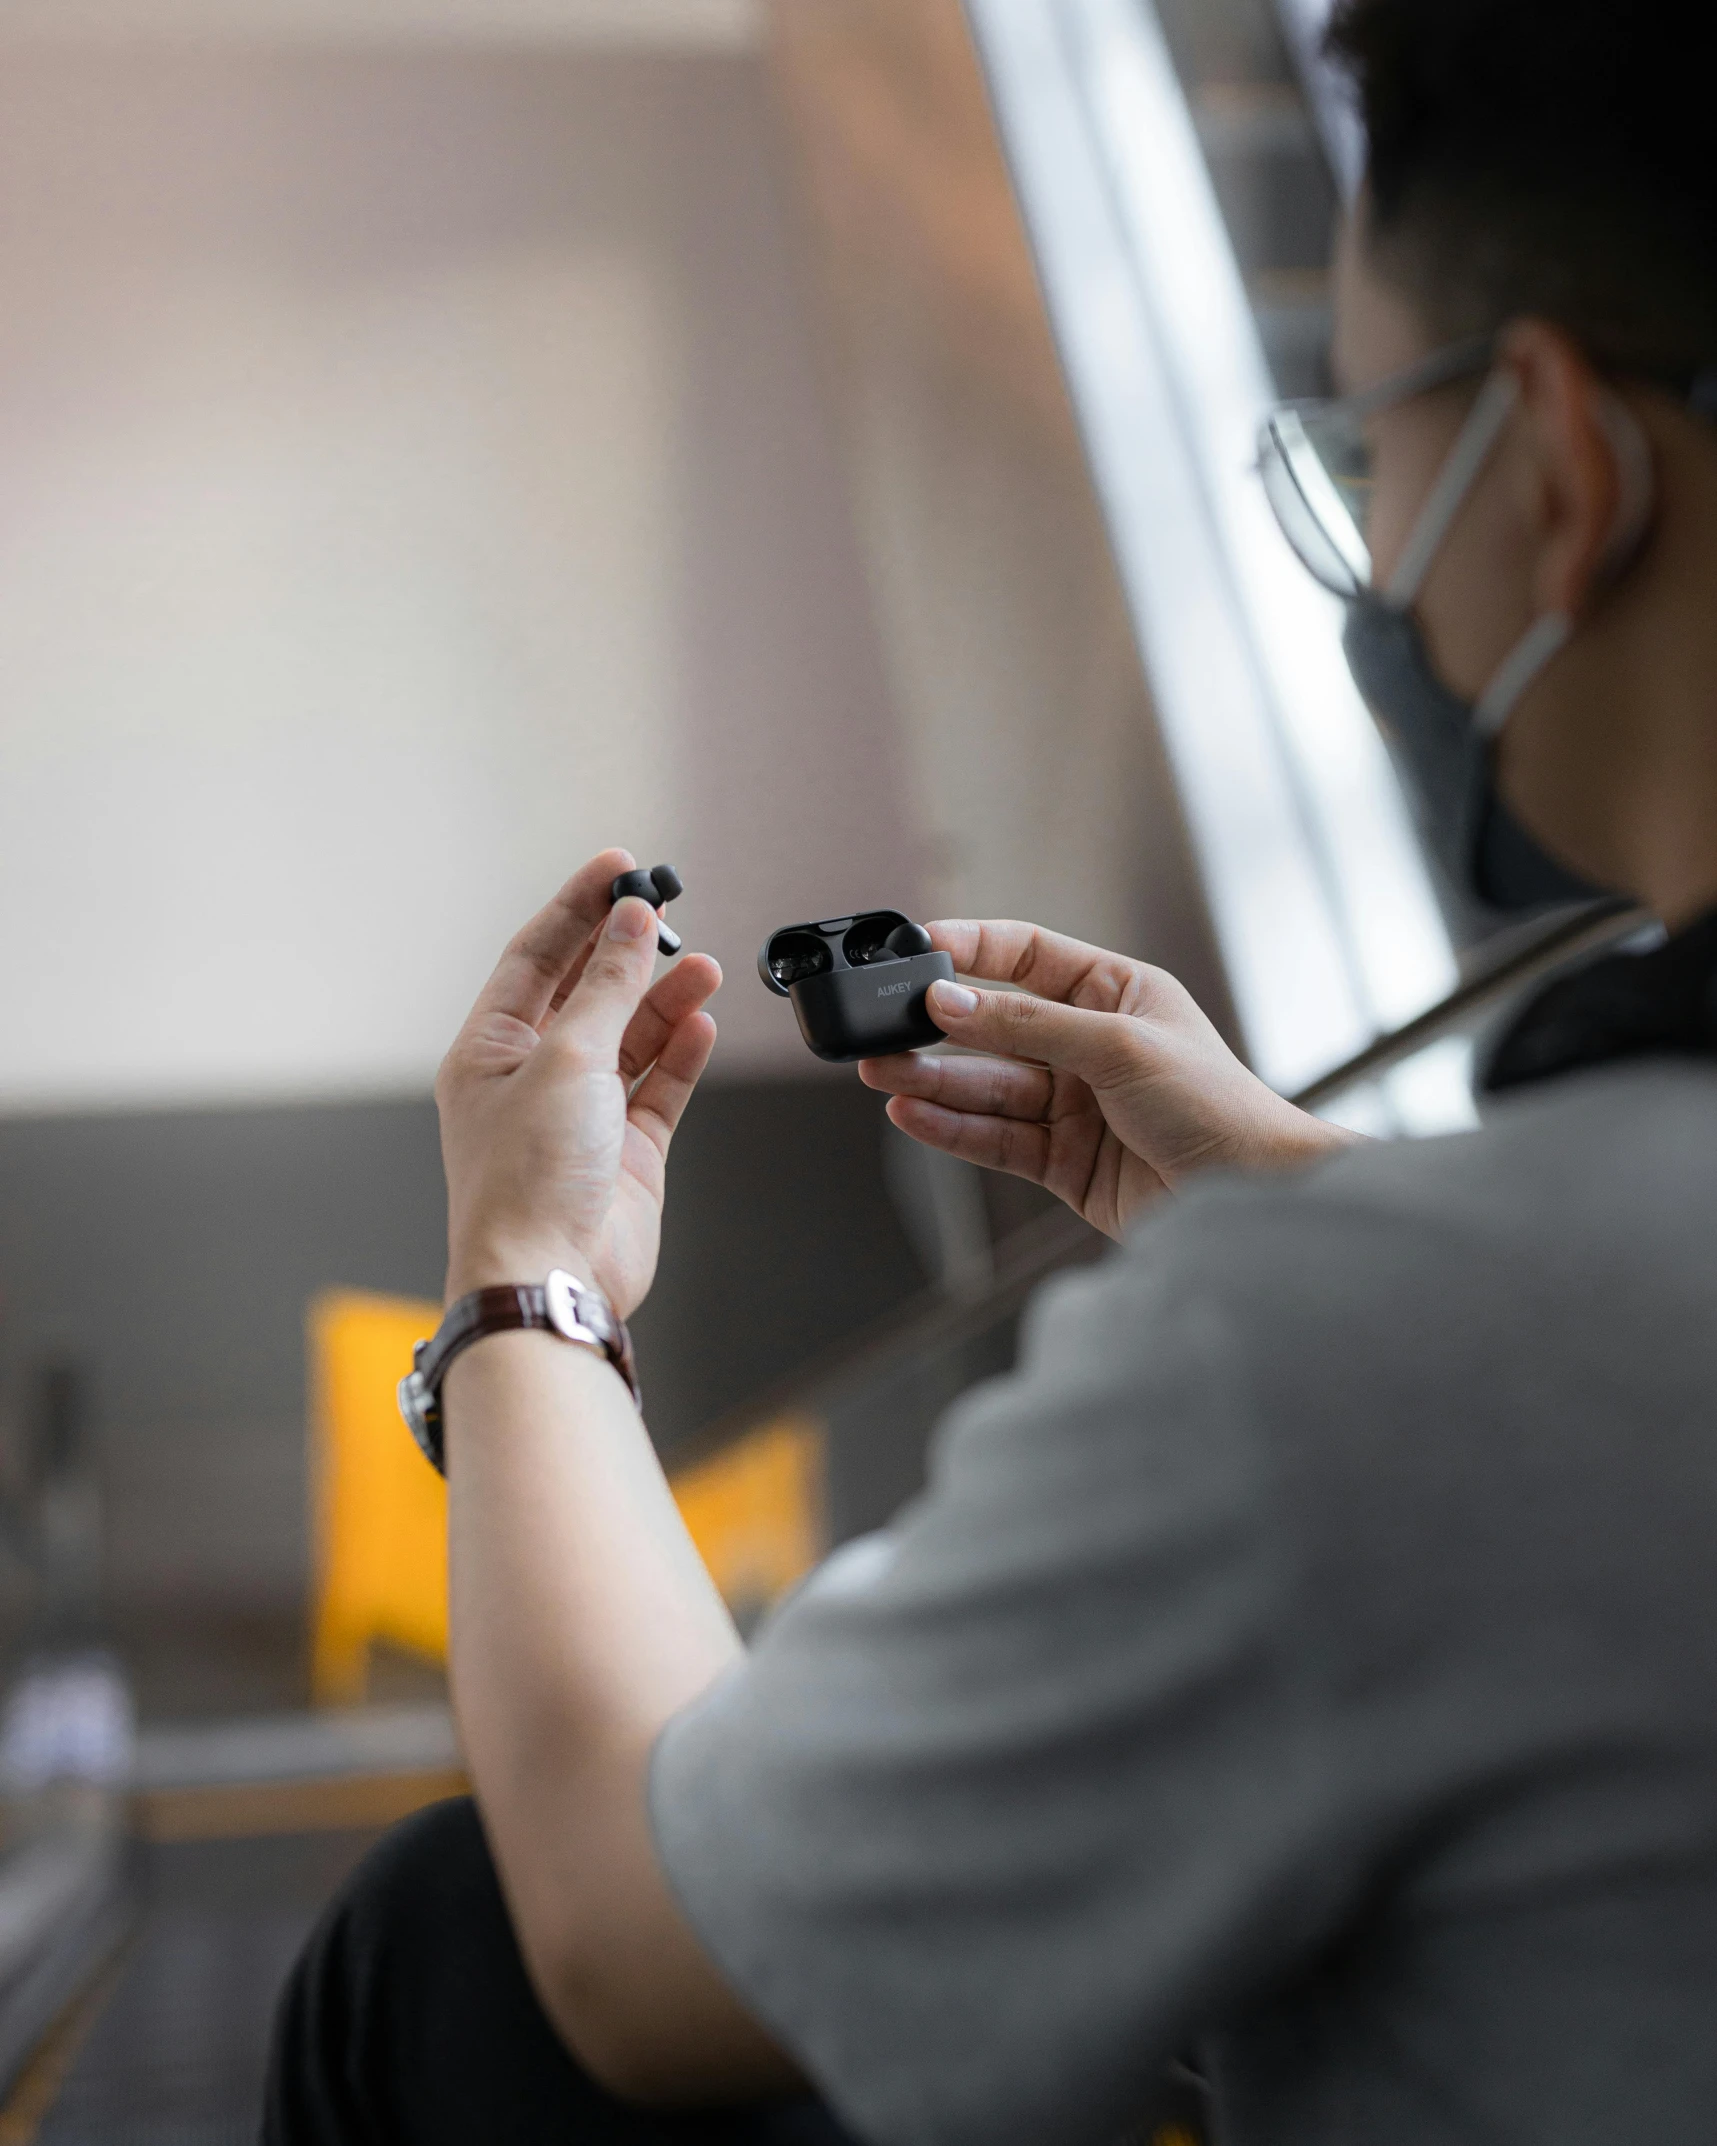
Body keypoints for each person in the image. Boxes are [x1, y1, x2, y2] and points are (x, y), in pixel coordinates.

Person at [266, 0, 1717, 2139]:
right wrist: (1319, 1202)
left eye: (1372, 441)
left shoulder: (1371, 1355)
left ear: (1565, 469)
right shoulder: (1449, 1299)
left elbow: (628, 1941)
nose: (1380, 541)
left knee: (442, 1942)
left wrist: (526, 1273)